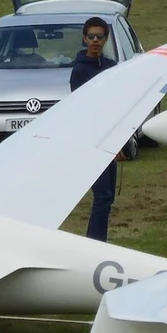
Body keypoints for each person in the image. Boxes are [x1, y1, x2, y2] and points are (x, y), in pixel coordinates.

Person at [71, 16, 122, 242]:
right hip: (92, 140)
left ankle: (100, 241)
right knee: (102, 195)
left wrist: (119, 139)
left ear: (105, 39)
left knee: (108, 197)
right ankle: (95, 242)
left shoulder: (111, 67)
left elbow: (117, 104)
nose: (95, 41)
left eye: (99, 37)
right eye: (91, 36)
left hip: (110, 137)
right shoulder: (80, 70)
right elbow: (83, 109)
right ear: (84, 39)